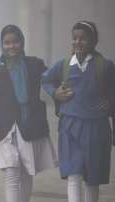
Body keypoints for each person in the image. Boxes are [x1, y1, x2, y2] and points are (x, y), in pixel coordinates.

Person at [0, 24, 57, 202]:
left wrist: (58, 92)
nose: (11, 46)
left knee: (26, 171)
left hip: (28, 124)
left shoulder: (35, 65)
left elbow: (52, 81)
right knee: (11, 173)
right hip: (4, 128)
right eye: (7, 43)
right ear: (1, 44)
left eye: (15, 42)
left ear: (22, 42)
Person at [42, 21, 115, 202]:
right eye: (74, 38)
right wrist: (55, 92)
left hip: (96, 128)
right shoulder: (65, 64)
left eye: (83, 38)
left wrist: (110, 103)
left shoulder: (104, 66)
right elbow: (46, 80)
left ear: (93, 41)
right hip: (70, 127)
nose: (78, 42)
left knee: (92, 177)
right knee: (73, 174)